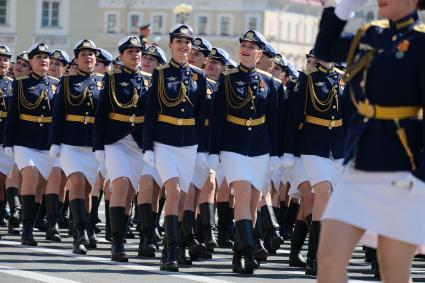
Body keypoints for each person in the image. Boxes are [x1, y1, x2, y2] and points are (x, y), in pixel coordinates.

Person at [314, 0, 425, 282]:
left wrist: (422, 177)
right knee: (327, 261)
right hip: (360, 166)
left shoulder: (421, 42)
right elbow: (325, 49)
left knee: (393, 272)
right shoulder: (370, 34)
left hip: (403, 172)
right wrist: (342, 9)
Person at [209, 30, 280, 275]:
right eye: (244, 45)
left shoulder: (269, 82)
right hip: (233, 144)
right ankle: (249, 250)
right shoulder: (227, 78)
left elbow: (274, 121)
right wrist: (212, 150)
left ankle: (238, 252)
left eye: (252, 46)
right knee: (242, 191)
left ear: (260, 53)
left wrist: (277, 153)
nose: (246, 49)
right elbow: (217, 116)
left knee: (253, 199)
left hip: (259, 146)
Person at [143, 24, 208, 272]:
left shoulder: (198, 76)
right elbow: (151, 113)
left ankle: (178, 246)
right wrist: (148, 146)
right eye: (179, 41)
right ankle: (169, 251)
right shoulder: (160, 73)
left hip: (189, 143)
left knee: (183, 198)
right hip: (164, 141)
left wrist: (203, 148)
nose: (183, 46)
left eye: (187, 42)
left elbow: (202, 115)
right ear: (170, 45)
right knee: (174, 190)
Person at [94, 35, 149, 262]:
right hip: (116, 140)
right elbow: (101, 113)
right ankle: (116, 241)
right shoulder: (112, 78)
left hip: (138, 142)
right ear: (121, 55)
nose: (135, 55)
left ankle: (120, 234)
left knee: (129, 192)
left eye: (138, 52)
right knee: (121, 184)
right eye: (130, 52)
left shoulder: (149, 80)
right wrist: (98, 145)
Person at [4, 43, 59, 246]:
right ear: (32, 62)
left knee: (40, 186)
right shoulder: (19, 84)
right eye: (39, 57)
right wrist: (8, 143)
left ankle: (31, 223)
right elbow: (12, 116)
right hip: (24, 140)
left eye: (46, 57)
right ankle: (26, 229)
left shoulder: (56, 85)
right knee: (31, 174)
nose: (43, 60)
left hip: (46, 141)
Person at [136, 44, 166, 258]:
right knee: (147, 185)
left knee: (158, 191)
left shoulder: (162, 85)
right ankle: (145, 236)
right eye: (145, 57)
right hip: (139, 144)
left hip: (164, 144)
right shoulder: (130, 80)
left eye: (153, 60)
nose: (147, 61)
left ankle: (152, 226)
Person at [0, 45, 14, 236]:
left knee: (4, 178)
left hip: (5, 135)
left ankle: (3, 207)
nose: (2, 62)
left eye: (5, 59)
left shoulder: (13, 84)